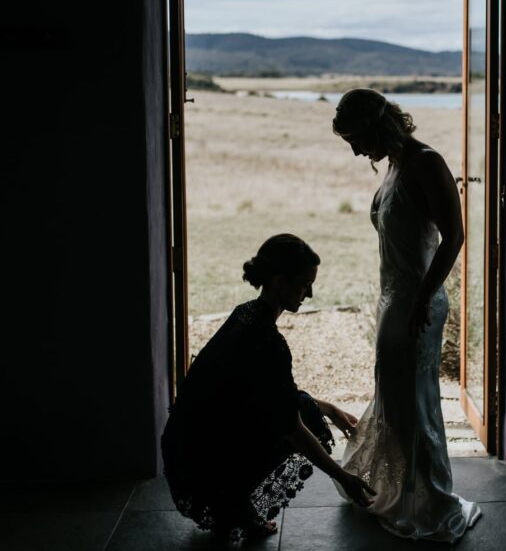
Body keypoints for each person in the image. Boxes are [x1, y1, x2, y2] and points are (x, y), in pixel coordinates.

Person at [331, 88, 482, 542]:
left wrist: (420, 300)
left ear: (379, 128)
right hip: (394, 300)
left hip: (418, 304)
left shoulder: (426, 162)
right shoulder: (396, 164)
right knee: (396, 399)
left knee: (414, 404)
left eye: (357, 140)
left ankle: (429, 502)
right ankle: (401, 491)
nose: (356, 151)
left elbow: (454, 235)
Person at [160, 233, 375, 544]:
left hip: (184, 448)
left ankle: (232, 504)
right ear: (279, 282)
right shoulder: (267, 341)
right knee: (306, 418)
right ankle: (234, 507)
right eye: (304, 284)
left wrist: (330, 408)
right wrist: (344, 478)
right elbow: (293, 428)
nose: (310, 294)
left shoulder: (244, 314)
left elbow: (273, 393)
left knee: (304, 406)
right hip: (199, 464)